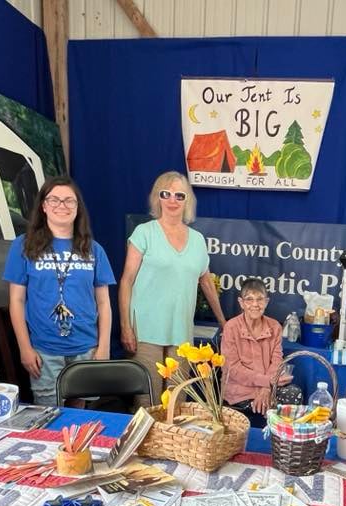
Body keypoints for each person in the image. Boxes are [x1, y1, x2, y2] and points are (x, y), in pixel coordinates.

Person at [4, 175, 115, 406]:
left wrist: (103, 346)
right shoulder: (23, 246)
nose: (61, 206)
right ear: (44, 206)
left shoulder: (94, 249)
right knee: (48, 417)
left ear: (77, 207)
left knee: (79, 417)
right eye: (54, 200)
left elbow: (104, 303)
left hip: (86, 348)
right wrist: (25, 347)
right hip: (44, 350)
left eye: (69, 201)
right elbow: (16, 300)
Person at [118, 171, 225, 404]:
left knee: (177, 403)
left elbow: (205, 282)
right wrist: (126, 326)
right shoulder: (144, 233)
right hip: (145, 331)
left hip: (181, 333)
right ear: (158, 198)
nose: (173, 200)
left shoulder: (197, 239)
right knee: (147, 403)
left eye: (180, 195)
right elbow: (126, 280)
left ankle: (172, 443)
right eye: (166, 194)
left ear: (188, 200)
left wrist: (224, 323)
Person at [221, 278, 299, 428]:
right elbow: (232, 368)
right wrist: (266, 381)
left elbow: (277, 361)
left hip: (268, 386)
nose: (255, 304)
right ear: (241, 303)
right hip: (240, 389)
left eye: (260, 299)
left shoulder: (274, 326)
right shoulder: (231, 327)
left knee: (294, 393)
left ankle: (283, 443)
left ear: (267, 302)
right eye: (249, 299)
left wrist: (266, 388)